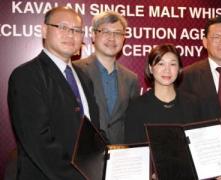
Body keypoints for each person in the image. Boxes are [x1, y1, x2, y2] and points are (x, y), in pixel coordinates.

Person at [7, 7, 99, 179]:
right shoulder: (27, 75)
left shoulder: (84, 79)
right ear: (44, 30)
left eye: (77, 30)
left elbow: (94, 131)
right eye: (63, 27)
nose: (71, 34)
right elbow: (39, 142)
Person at [74, 11, 139, 144]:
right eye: (105, 32)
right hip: (84, 152)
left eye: (118, 33)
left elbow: (132, 122)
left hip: (119, 155)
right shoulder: (76, 70)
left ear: (124, 38)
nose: (112, 38)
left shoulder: (131, 78)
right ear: (93, 35)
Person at [124, 44, 201, 144]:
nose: (167, 70)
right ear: (151, 68)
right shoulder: (137, 107)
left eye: (172, 64)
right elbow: (133, 150)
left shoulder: (192, 104)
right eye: (161, 64)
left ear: (179, 69)